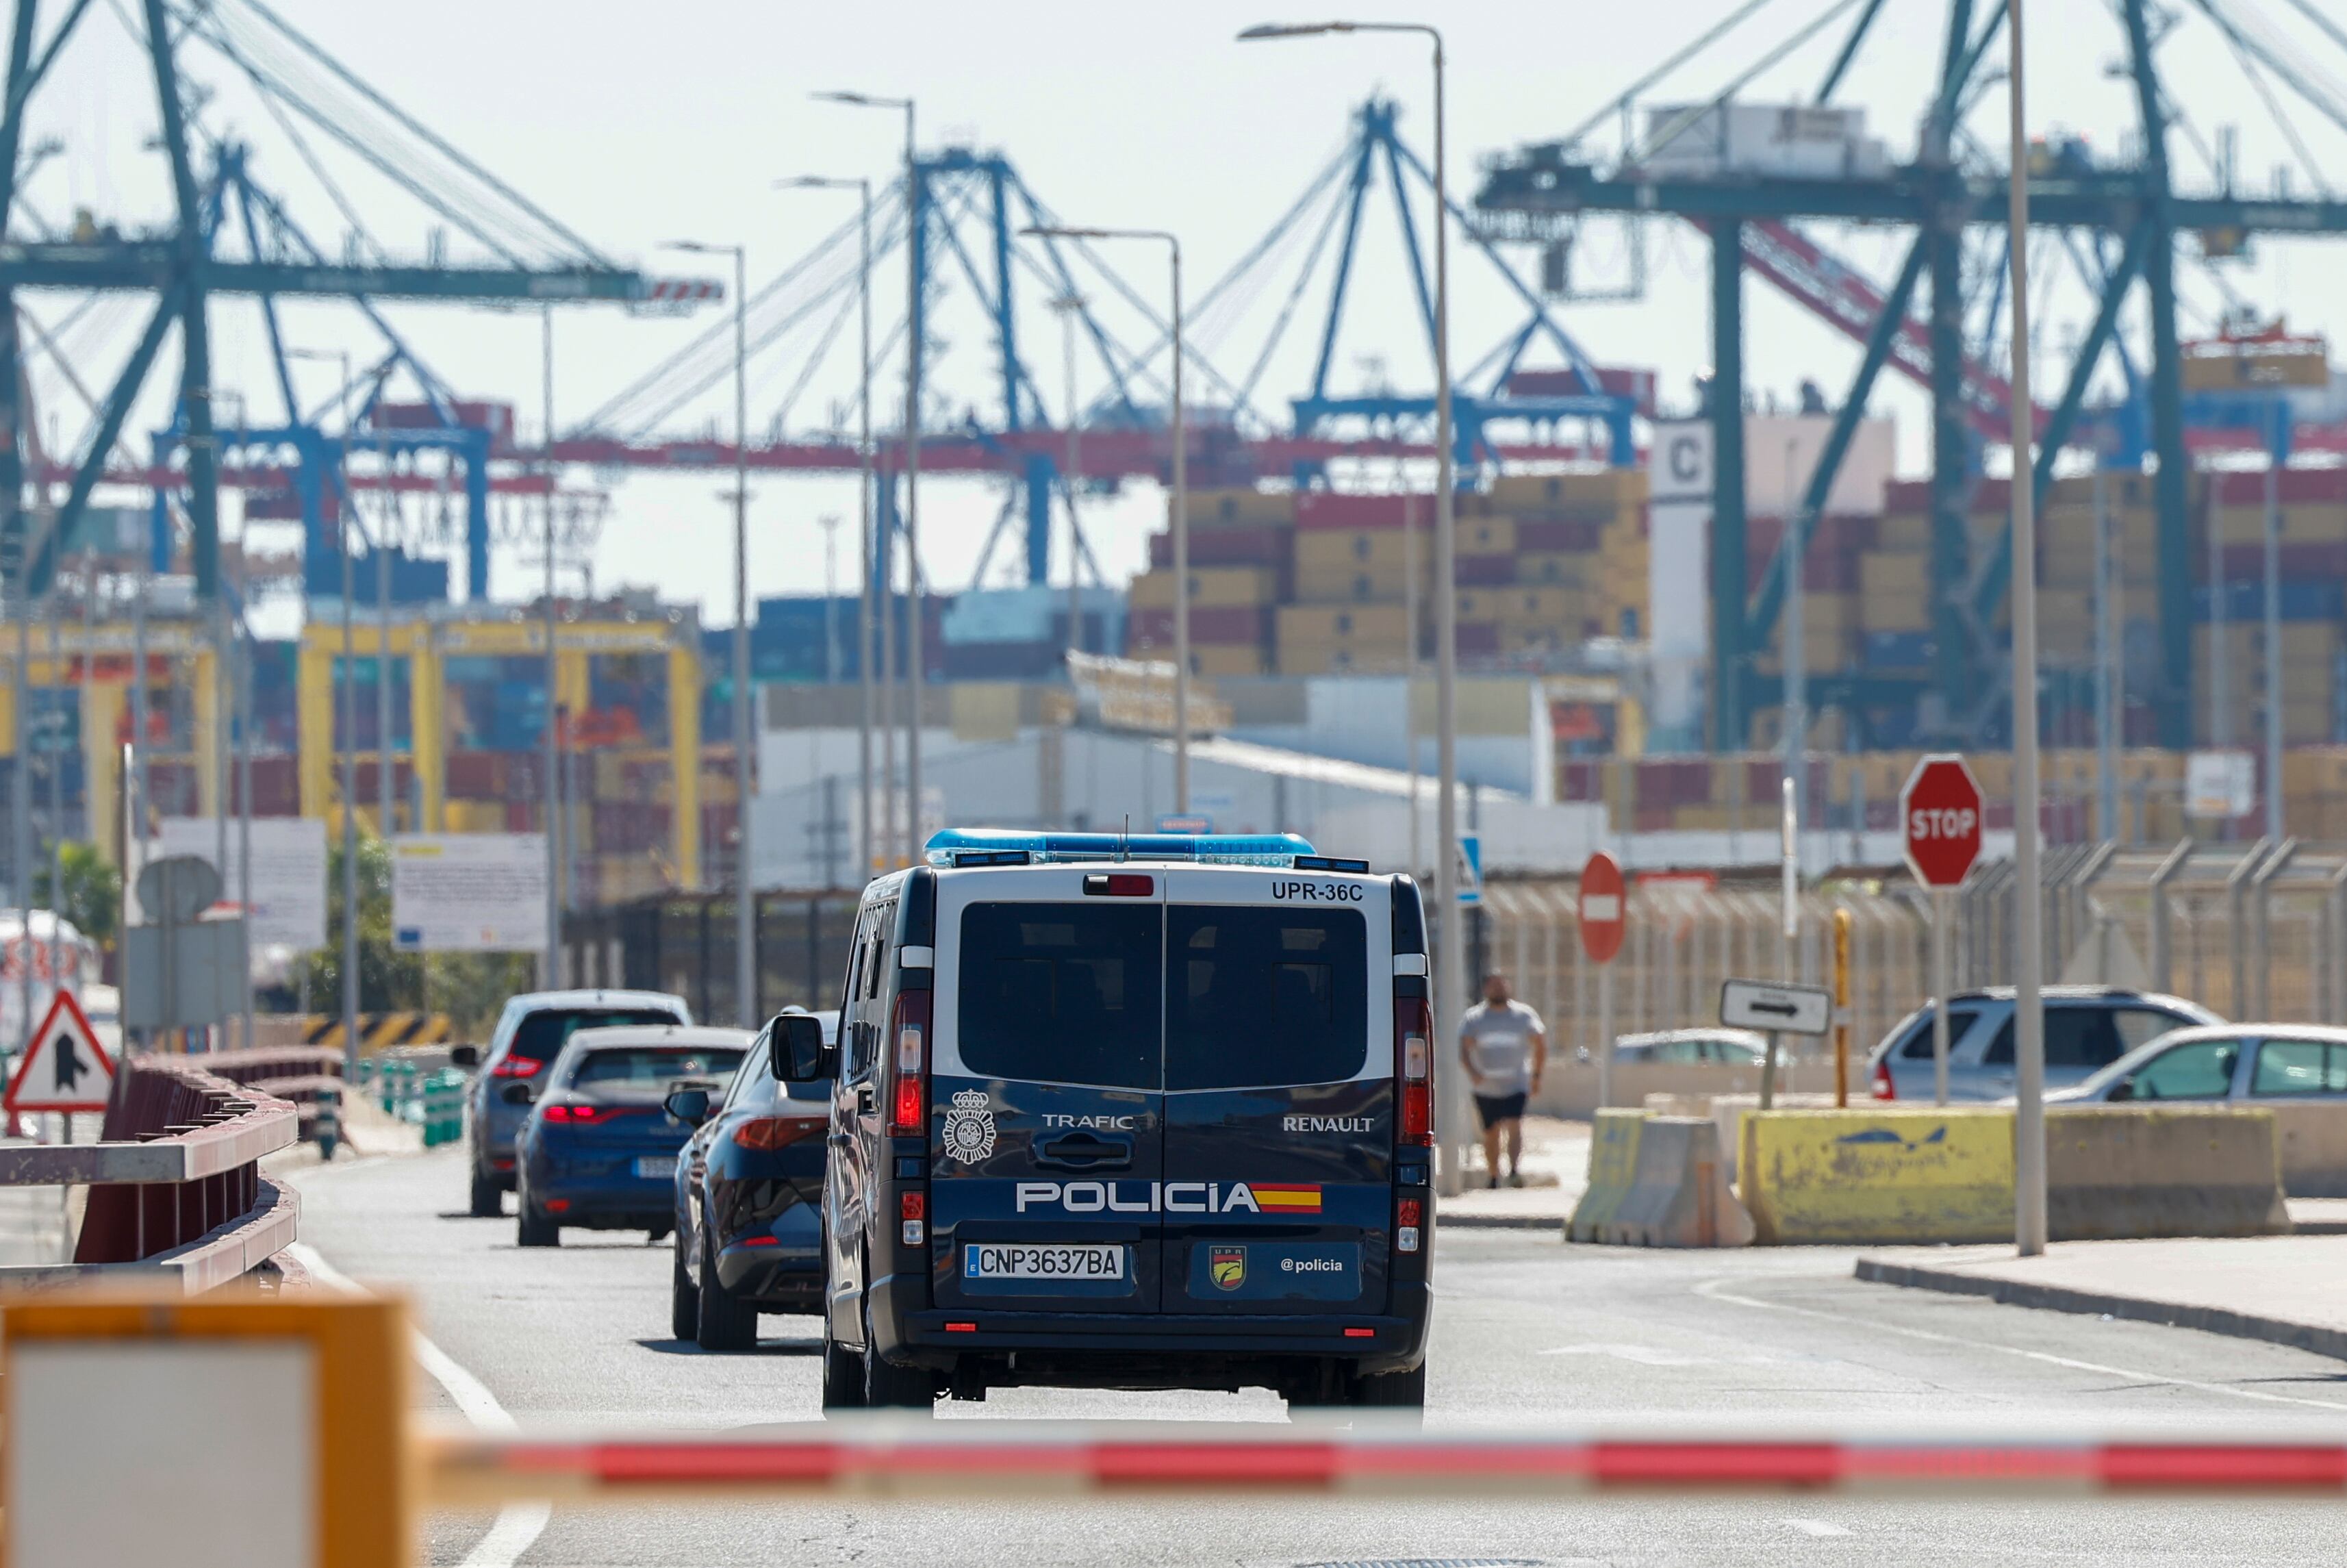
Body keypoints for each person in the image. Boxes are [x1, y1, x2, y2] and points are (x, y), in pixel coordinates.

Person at [1460, 970, 1547, 1188]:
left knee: (1514, 1125)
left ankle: (1514, 1170)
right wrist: (1473, 1072)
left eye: (1502, 985)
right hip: (1486, 1088)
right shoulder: (1475, 1017)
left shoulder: (1523, 1015)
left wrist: (1536, 1076)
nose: (1499, 989)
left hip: (1515, 1084)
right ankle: (1493, 1175)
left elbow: (1540, 1044)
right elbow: (1463, 1048)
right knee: (1491, 1132)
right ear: (1486, 989)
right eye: (1494, 985)